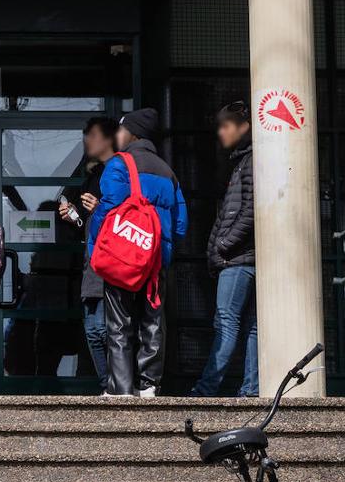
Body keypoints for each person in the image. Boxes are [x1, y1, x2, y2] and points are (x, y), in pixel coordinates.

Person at [87, 108, 188, 398]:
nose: (117, 135)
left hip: (123, 258)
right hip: (155, 260)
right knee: (153, 320)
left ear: (133, 133)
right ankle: (149, 385)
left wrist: (96, 246)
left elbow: (107, 209)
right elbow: (181, 222)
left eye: (120, 130)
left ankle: (120, 388)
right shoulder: (167, 171)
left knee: (119, 323)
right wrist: (163, 248)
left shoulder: (120, 164)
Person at [190, 101, 258, 397]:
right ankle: (251, 390)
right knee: (253, 326)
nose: (221, 132)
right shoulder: (244, 161)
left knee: (226, 322)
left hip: (239, 260)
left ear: (244, 126)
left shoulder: (251, 161)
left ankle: (207, 389)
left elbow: (251, 210)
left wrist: (224, 244)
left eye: (225, 125)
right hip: (247, 258)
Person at [59, 117, 119, 391]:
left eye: (92, 135)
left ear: (108, 138)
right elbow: (89, 225)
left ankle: (117, 386)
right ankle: (109, 385)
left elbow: (126, 220)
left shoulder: (119, 173)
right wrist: (75, 218)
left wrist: (98, 210)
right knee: (94, 330)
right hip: (92, 262)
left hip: (114, 264)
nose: (86, 140)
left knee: (107, 330)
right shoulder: (93, 177)